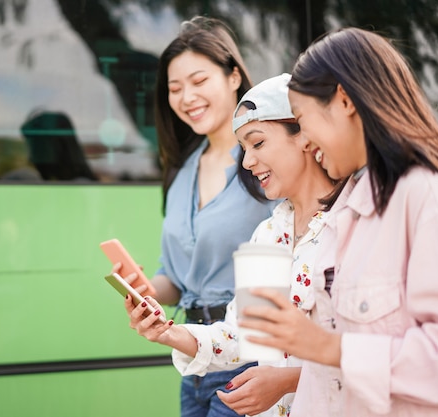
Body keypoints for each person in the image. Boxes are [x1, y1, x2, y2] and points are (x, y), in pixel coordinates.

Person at [237, 27, 438, 416]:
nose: (304, 141)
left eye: (303, 120)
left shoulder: (429, 199)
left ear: (343, 101)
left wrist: (327, 348)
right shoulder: (348, 211)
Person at [124, 73, 336, 417]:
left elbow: (378, 356)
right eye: (244, 149)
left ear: (304, 135)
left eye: (258, 143)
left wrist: (286, 382)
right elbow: (242, 335)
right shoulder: (268, 234)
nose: (247, 163)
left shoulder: (354, 225)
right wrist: (169, 333)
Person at [113, 16, 276, 417]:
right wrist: (147, 290)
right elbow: (178, 278)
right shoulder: (181, 171)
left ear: (234, 76)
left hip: (252, 357)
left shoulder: (266, 160)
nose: (187, 96)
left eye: (199, 81)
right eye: (175, 88)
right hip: (195, 360)